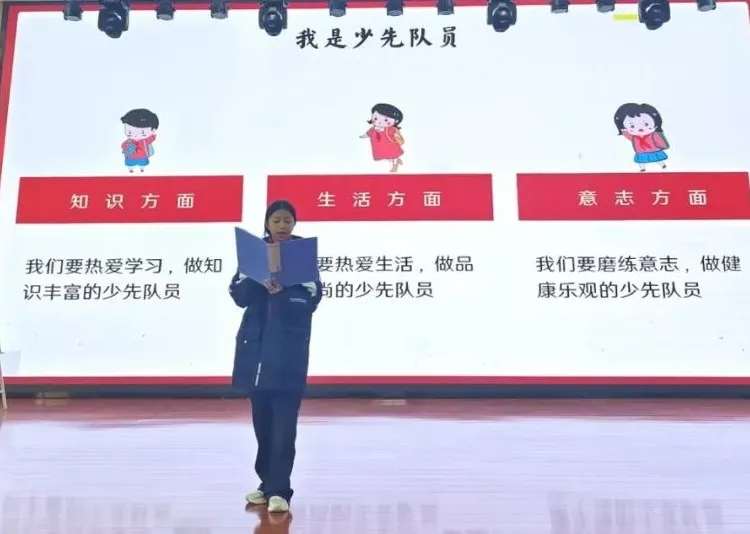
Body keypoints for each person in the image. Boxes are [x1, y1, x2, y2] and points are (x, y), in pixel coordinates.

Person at [229, 200, 323, 513]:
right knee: (263, 425)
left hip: (288, 355)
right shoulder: (253, 257)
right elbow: (239, 296)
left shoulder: (304, 260)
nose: (282, 226)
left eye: (287, 220)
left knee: (284, 427)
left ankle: (280, 490)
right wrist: (258, 281)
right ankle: (266, 484)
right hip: (256, 353)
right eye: (277, 220)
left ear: (294, 224)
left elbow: (311, 301)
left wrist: (284, 290)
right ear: (267, 223)